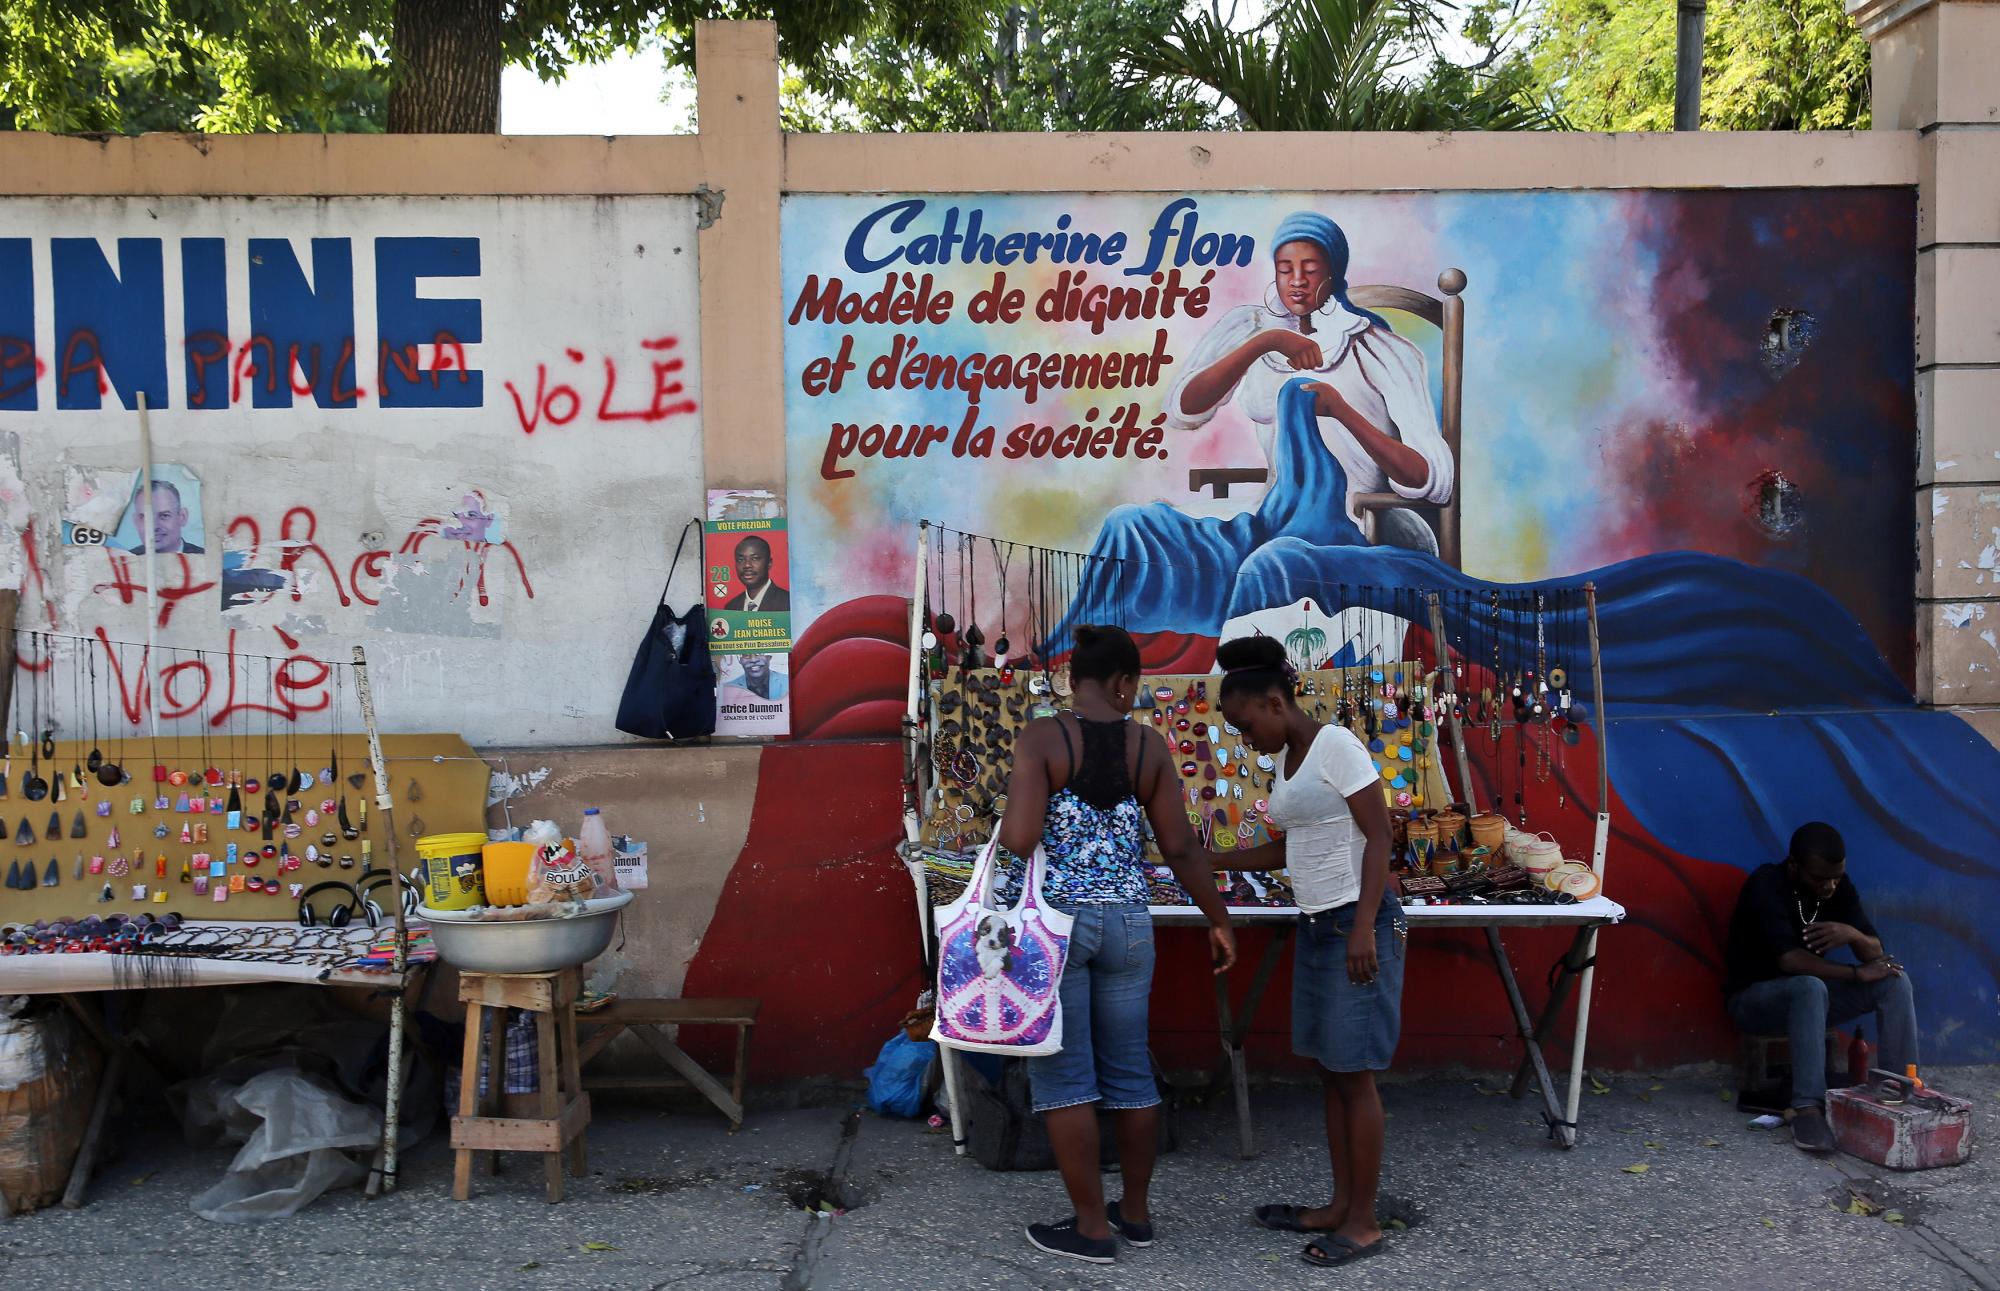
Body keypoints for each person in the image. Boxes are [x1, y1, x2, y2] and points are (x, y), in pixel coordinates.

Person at [1040, 211, 1452, 660]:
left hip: (1349, 524)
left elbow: (1433, 478)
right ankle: (1092, 664)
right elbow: (1184, 407)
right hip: (1271, 516)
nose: (1296, 281)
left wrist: (1341, 410)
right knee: (1131, 527)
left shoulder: (1381, 351)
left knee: (1271, 563)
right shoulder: (1254, 328)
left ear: (1333, 272)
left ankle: (1227, 672)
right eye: (1285, 269)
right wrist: (1265, 342)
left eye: (1310, 270)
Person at [995, 624, 1237, 1264]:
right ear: (1125, 682)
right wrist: (1218, 918)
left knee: (1065, 1075)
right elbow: (1181, 847)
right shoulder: (1149, 747)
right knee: (1130, 1071)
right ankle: (1134, 1213)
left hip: (1060, 924)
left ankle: (1090, 1227)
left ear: (1075, 682)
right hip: (1130, 923)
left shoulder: (1044, 738)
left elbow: (1019, 839)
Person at [1212, 634, 1403, 1268]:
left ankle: (1366, 1222)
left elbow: (1380, 838)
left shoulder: (1337, 746)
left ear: (1274, 700)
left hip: (1356, 925)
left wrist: (1363, 927)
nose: (1245, 739)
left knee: (1358, 1076)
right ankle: (1339, 1206)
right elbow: (1288, 851)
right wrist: (1209, 858)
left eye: (1245, 724)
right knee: (1332, 1070)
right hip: (1319, 925)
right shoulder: (1287, 762)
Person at [1723, 821, 1915, 1153]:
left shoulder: (1839, 888)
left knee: (1894, 980)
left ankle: (1899, 1089)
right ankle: (1807, 1109)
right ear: (1794, 866)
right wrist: (1855, 973)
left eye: (1836, 877)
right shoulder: (1766, 885)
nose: (1829, 886)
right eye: (1820, 879)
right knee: (1809, 986)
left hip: (1813, 1002)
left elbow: (1876, 953)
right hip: (1753, 1001)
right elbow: (1789, 961)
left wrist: (1852, 935)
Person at [121, 479, 203, 554]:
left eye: (164, 516)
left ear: (182, 517)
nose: (154, 526)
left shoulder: (206, 558)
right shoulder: (126, 562)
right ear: (136, 522)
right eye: (146, 518)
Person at [723, 535, 788, 612]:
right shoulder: (731, 607)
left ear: (769, 563)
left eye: (755, 558)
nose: (747, 565)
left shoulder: (788, 602)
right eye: (740, 559)